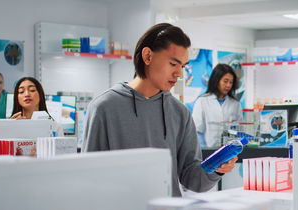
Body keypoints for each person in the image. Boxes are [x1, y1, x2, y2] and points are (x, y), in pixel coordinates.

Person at [82, 23, 236, 197]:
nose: (179, 73)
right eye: (173, 64)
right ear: (148, 56)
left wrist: (217, 169)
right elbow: (90, 179)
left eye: (183, 66)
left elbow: (192, 179)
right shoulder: (104, 108)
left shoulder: (180, 113)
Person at [192, 64, 242, 148]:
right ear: (216, 80)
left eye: (231, 82)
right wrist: (204, 150)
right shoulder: (202, 101)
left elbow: (238, 130)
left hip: (228, 152)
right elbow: (197, 130)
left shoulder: (235, 104)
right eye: (225, 81)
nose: (228, 85)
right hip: (207, 151)